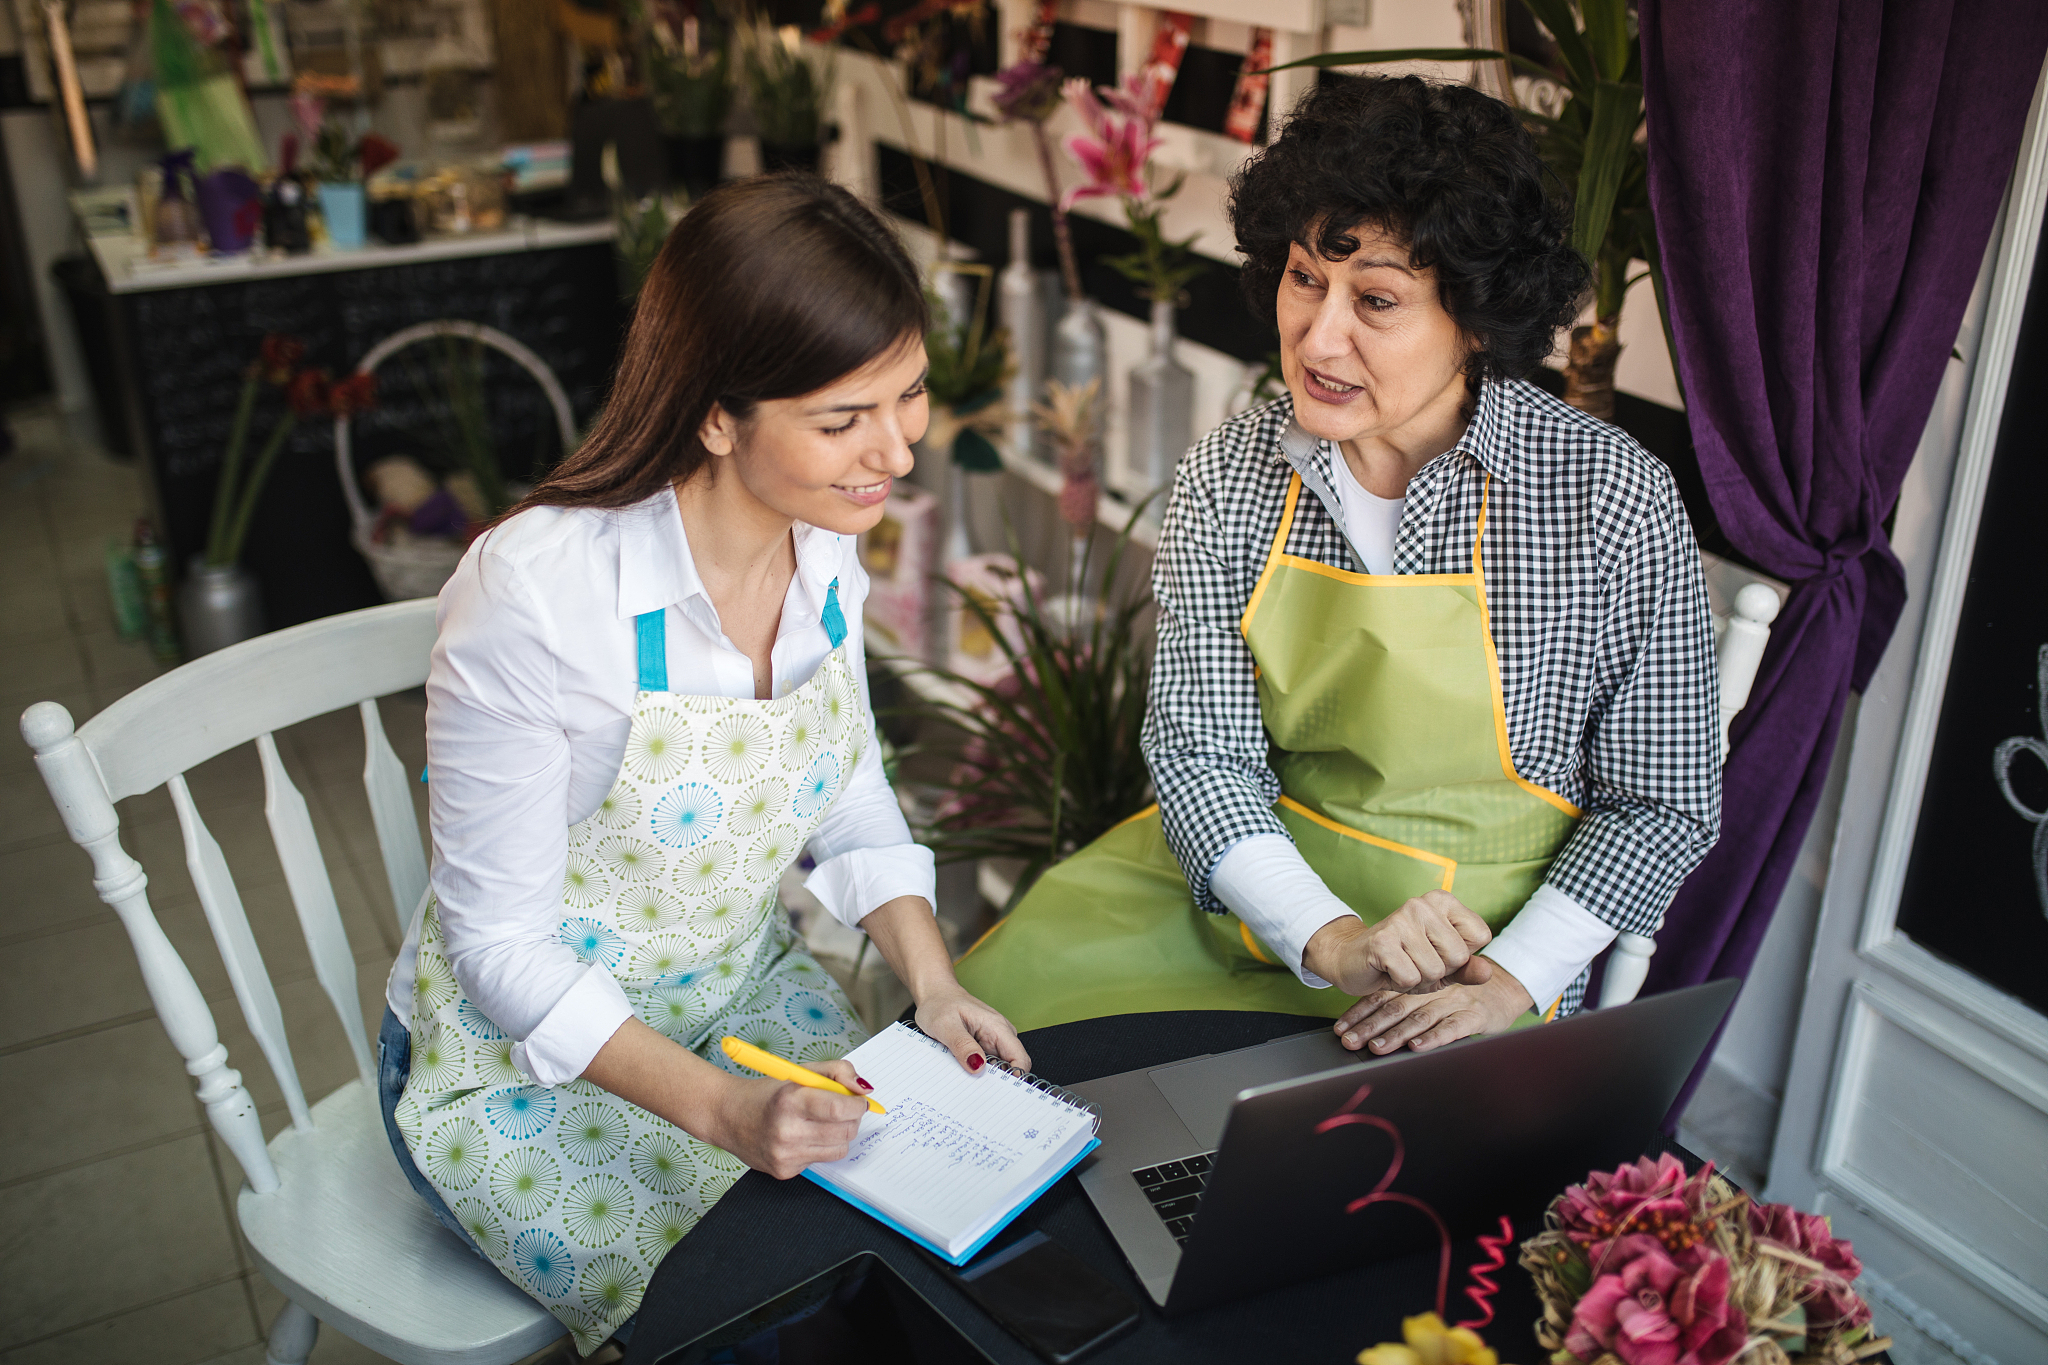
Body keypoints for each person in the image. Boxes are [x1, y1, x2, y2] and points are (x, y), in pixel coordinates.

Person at [376, 174, 1028, 1354]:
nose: (895, 449)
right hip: (525, 1064)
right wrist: (724, 1113)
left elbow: (851, 791)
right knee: (759, 1315)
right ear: (716, 415)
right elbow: (497, 948)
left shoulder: (828, 542)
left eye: (911, 393)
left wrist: (932, 985)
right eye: (843, 418)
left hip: (737, 993)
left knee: (928, 1266)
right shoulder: (538, 594)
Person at [956, 76, 1721, 1055]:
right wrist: (1328, 938)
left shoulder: (1605, 499)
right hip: (1255, 912)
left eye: (1376, 300)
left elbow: (1655, 805)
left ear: (1476, 320)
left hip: (1470, 962)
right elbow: (1202, 757)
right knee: (989, 1029)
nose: (1317, 337)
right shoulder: (1229, 475)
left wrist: (1505, 984)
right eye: (1303, 277)